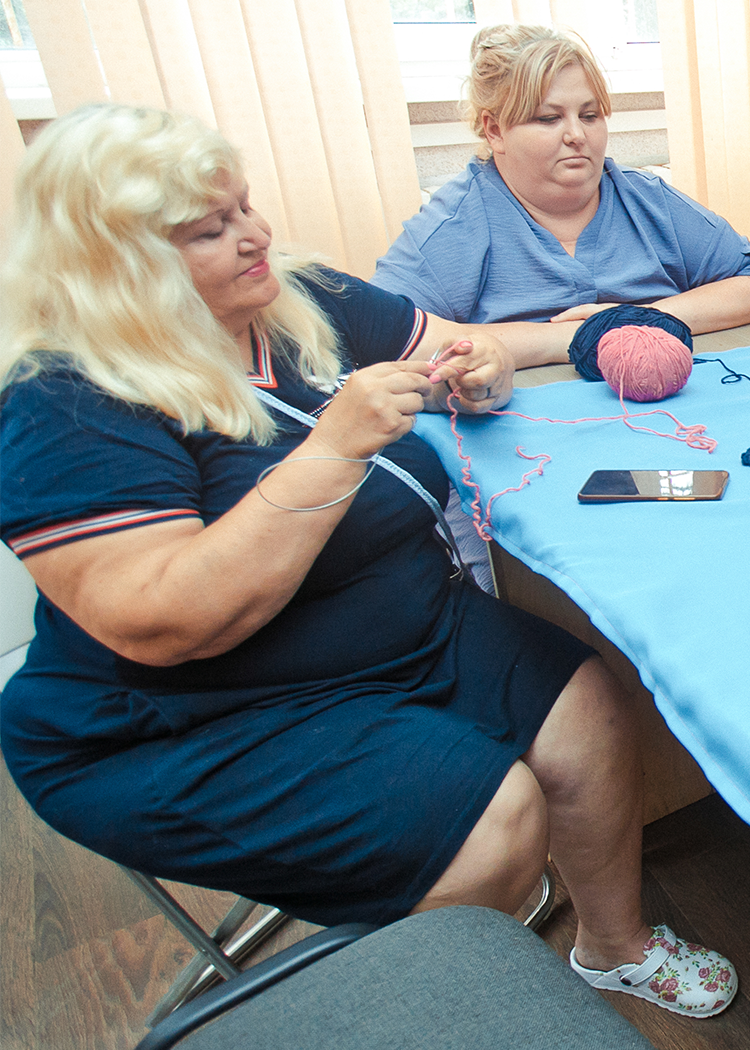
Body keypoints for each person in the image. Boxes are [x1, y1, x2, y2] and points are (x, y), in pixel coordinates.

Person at [0, 104, 736, 1018]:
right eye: (210, 228)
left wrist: (485, 369)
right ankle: (453, 1012)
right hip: (193, 714)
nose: (254, 235)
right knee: (490, 822)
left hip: (391, 635)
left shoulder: (296, 295)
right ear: (115, 265)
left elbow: (456, 345)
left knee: (588, 707)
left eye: (245, 206)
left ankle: (612, 950)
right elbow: (162, 619)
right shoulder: (67, 401)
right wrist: (331, 451)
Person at [371, 22, 750, 589]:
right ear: (494, 129)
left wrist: (648, 317)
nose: (578, 135)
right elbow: (385, 341)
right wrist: (565, 339)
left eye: (591, 115)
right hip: (523, 461)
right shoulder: (455, 230)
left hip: (673, 437)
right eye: (548, 118)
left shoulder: (648, 203)